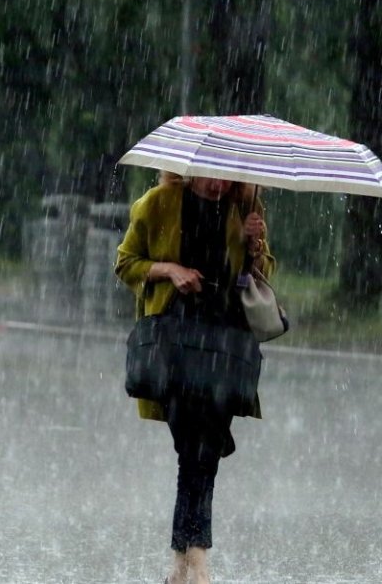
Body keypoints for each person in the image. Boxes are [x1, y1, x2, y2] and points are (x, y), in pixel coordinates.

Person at [115, 172, 275, 584]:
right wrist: (170, 270)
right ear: (188, 170)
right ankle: (192, 559)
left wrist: (253, 245)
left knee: (200, 453)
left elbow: (261, 277)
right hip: (174, 344)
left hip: (225, 344)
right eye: (209, 177)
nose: (218, 185)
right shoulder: (158, 203)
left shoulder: (246, 208)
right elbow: (126, 263)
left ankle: (188, 564)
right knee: (194, 448)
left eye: (227, 178)